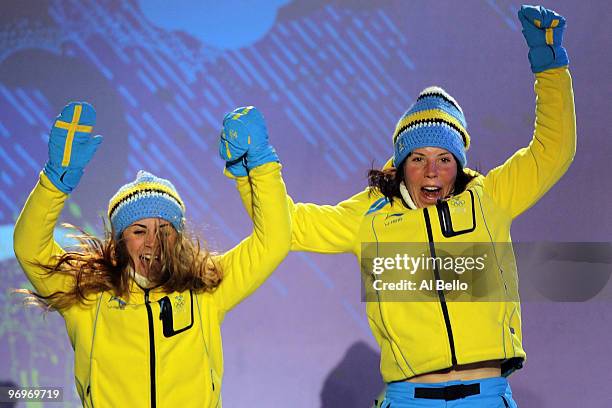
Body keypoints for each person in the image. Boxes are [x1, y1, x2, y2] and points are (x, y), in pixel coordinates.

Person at [231, 5, 575, 407]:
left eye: (444, 159)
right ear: (400, 165)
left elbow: (554, 151)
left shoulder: (488, 198)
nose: (431, 171)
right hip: (410, 397)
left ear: (458, 165)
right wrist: (252, 169)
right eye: (418, 159)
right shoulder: (370, 215)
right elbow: (285, 226)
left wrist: (549, 67)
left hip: (486, 394)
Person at [13, 103, 290, 407]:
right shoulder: (88, 297)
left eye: (165, 231)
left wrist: (260, 167)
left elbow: (274, 241)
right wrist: (54, 182)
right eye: (139, 231)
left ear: (178, 238)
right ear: (119, 240)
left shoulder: (206, 288)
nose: (152, 244)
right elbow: (29, 247)